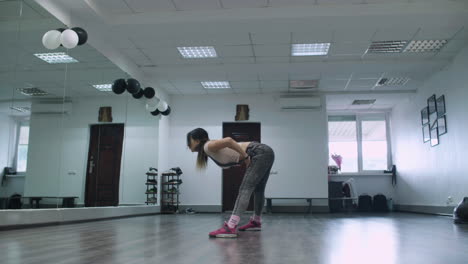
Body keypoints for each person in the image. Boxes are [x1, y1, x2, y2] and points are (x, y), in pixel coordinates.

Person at [187, 128, 275, 238]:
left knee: (245, 189)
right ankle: (256, 221)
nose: (188, 145)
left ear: (197, 140)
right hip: (265, 151)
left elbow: (228, 140)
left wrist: (246, 156)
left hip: (259, 152)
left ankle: (230, 226)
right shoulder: (209, 148)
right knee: (259, 190)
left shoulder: (208, 146)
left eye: (189, 141)